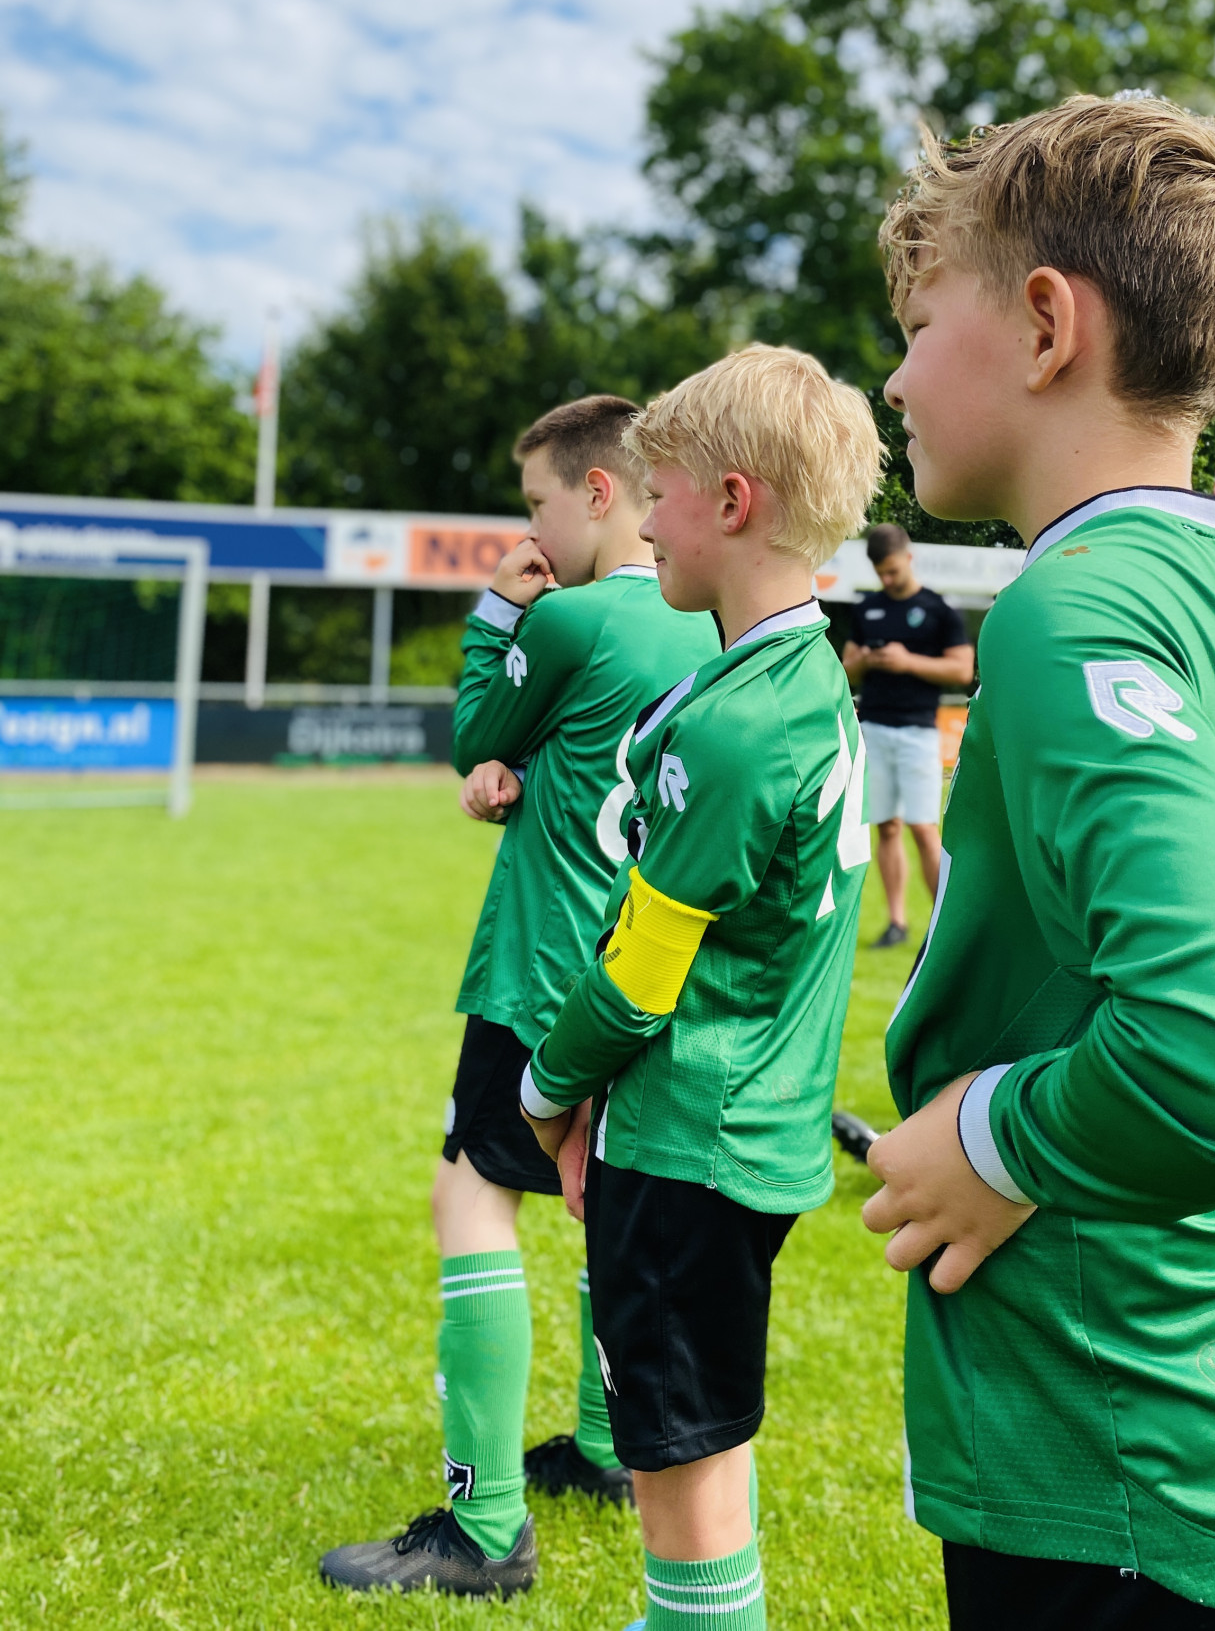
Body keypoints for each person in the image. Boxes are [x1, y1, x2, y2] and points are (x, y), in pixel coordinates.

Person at [860, 97, 1215, 1629]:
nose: (896, 375)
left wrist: (1012, 1137)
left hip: (1122, 1455)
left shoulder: (1071, 610)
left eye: (915, 324)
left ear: (1044, 325)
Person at [320, 395, 719, 1598]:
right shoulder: (712, 626)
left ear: (600, 492)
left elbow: (472, 730)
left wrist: (498, 608)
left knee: (471, 1200)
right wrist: (526, 769)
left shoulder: (580, 616)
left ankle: (485, 1525)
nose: (530, 531)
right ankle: (603, 1451)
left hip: (542, 966)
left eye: (538, 503)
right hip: (642, 962)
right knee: (599, 1193)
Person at [518, 344, 882, 1631]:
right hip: (742, 1130)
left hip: (691, 1137)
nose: (643, 515)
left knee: (676, 1462)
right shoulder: (791, 676)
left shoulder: (737, 721)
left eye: (656, 489)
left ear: (731, 504)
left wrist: (545, 1089)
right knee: (695, 1437)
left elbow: (640, 972)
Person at [840, 524, 973, 947]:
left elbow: (961, 670)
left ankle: (943, 923)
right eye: (881, 572)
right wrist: (860, 661)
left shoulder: (938, 611)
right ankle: (897, 922)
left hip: (918, 730)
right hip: (874, 728)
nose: (888, 580)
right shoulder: (866, 610)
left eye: (893, 571)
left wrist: (906, 661)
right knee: (888, 826)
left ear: (908, 558)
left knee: (922, 827)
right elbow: (845, 670)